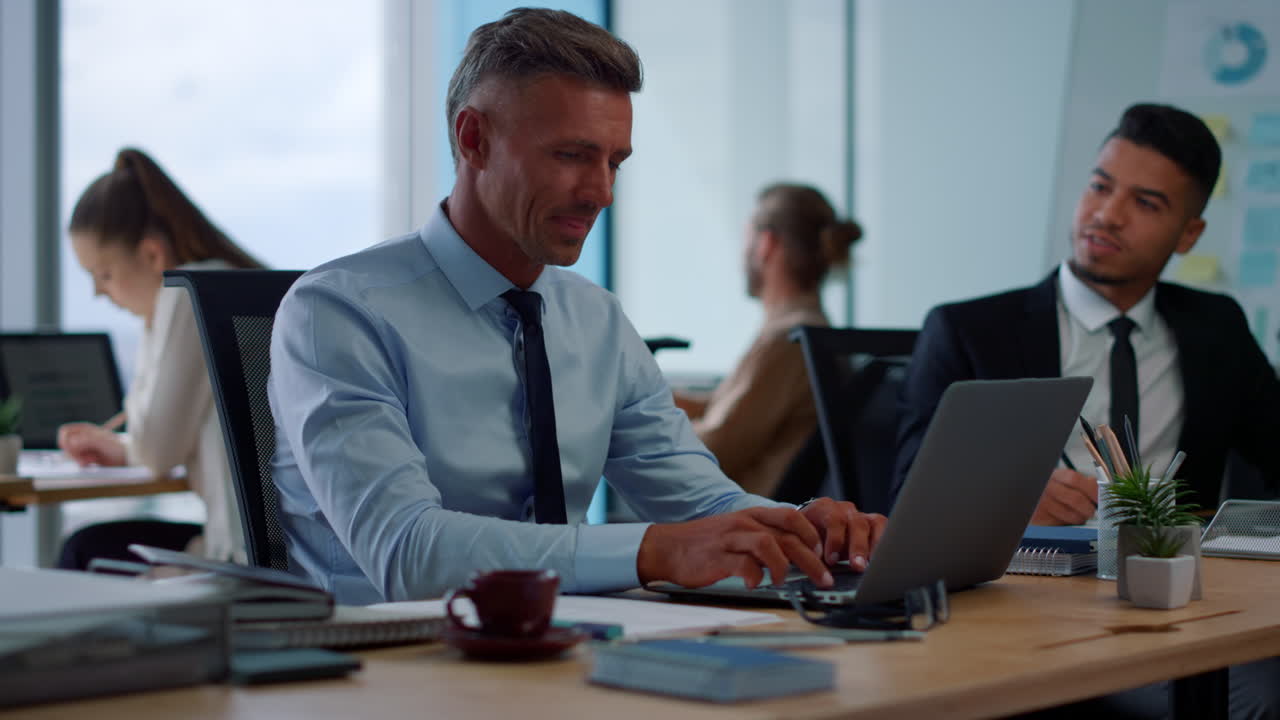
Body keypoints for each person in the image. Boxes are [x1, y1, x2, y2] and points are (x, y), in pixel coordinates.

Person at [268, 8, 886, 605]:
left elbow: (699, 504)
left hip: (571, 647)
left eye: (614, 162)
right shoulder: (337, 313)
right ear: (473, 138)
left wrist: (806, 531)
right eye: (571, 155)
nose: (600, 192)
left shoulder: (595, 318)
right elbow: (407, 552)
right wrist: (652, 552)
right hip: (386, 669)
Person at [894, 103, 1279, 719]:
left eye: (1146, 203)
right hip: (1018, 609)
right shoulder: (970, 330)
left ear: (1189, 235)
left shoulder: (1215, 328)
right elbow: (908, 485)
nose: (1106, 214)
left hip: (1175, 607)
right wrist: (1003, 494)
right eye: (1100, 186)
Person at [57, 147, 263, 569]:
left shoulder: (188, 295)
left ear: (152, 255)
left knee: (82, 551)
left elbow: (156, 450)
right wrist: (122, 447)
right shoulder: (231, 283)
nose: (100, 293)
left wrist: (152, 322)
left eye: (104, 274)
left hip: (238, 558)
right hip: (283, 554)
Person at [673, 184, 861, 497]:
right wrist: (658, 400)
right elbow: (728, 407)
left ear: (766, 244)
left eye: (746, 238)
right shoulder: (806, 332)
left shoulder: (789, 341)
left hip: (744, 523)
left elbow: (713, 450)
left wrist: (640, 429)